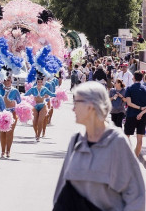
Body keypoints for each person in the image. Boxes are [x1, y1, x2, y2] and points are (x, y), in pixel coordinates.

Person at [53, 82, 145, 211]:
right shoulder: (76, 141)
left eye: (76, 102)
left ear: (90, 106)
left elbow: (136, 196)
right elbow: (61, 190)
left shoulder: (117, 142)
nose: (73, 108)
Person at [25, 74, 56, 141]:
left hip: (43, 106)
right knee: (34, 121)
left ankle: (38, 136)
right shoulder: (33, 89)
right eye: (38, 82)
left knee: (40, 121)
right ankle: (36, 133)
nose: (39, 83)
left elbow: (52, 94)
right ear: (36, 82)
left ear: (42, 82)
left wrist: (58, 95)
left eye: (41, 82)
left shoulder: (45, 89)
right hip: (35, 106)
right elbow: (26, 94)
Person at [0, 76, 21, 158]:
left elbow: (19, 102)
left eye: (8, 80)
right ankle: (2, 151)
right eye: (5, 80)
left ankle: (8, 151)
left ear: (11, 81)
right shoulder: (0, 89)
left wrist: (18, 111)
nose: (7, 82)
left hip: (12, 113)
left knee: (9, 133)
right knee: (2, 132)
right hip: (2, 114)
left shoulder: (15, 91)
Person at [125, 71, 146, 157]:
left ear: (133, 78)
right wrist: (142, 111)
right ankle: (135, 158)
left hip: (131, 115)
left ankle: (125, 157)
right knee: (140, 139)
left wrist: (139, 108)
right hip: (143, 116)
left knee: (126, 137)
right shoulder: (145, 89)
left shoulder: (129, 88)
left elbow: (129, 103)